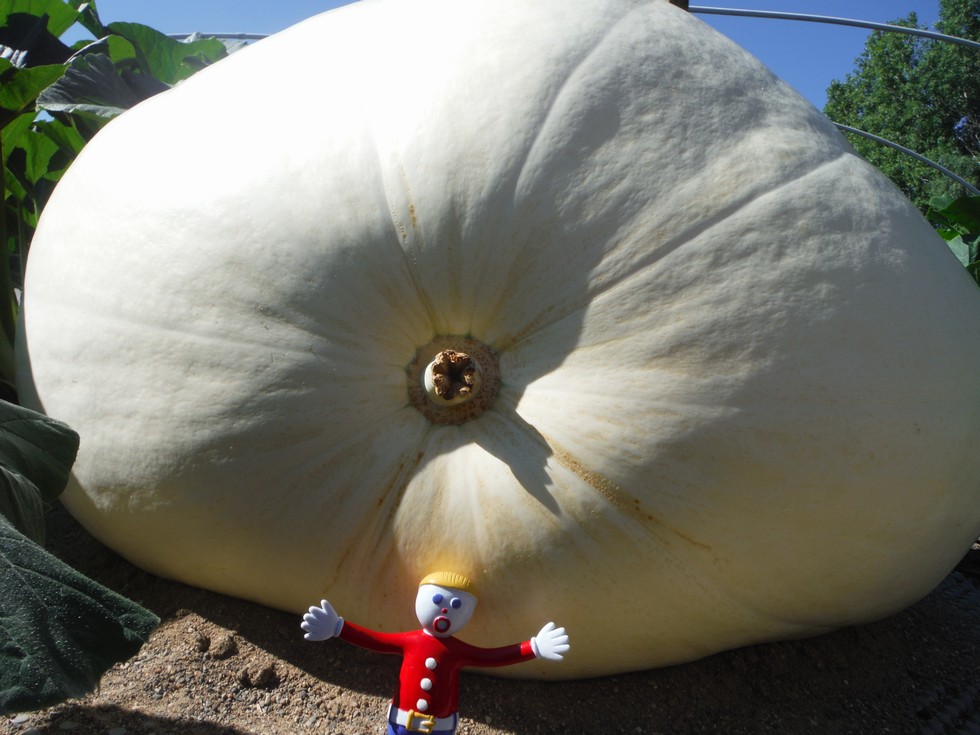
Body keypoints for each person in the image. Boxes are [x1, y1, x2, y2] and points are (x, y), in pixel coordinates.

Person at [301, 570, 570, 735]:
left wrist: (534, 647)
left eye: (456, 605)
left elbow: (491, 657)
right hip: (401, 724)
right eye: (438, 600)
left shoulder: (457, 650)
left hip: (440, 727)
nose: (445, 609)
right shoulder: (411, 641)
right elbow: (376, 640)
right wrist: (337, 627)